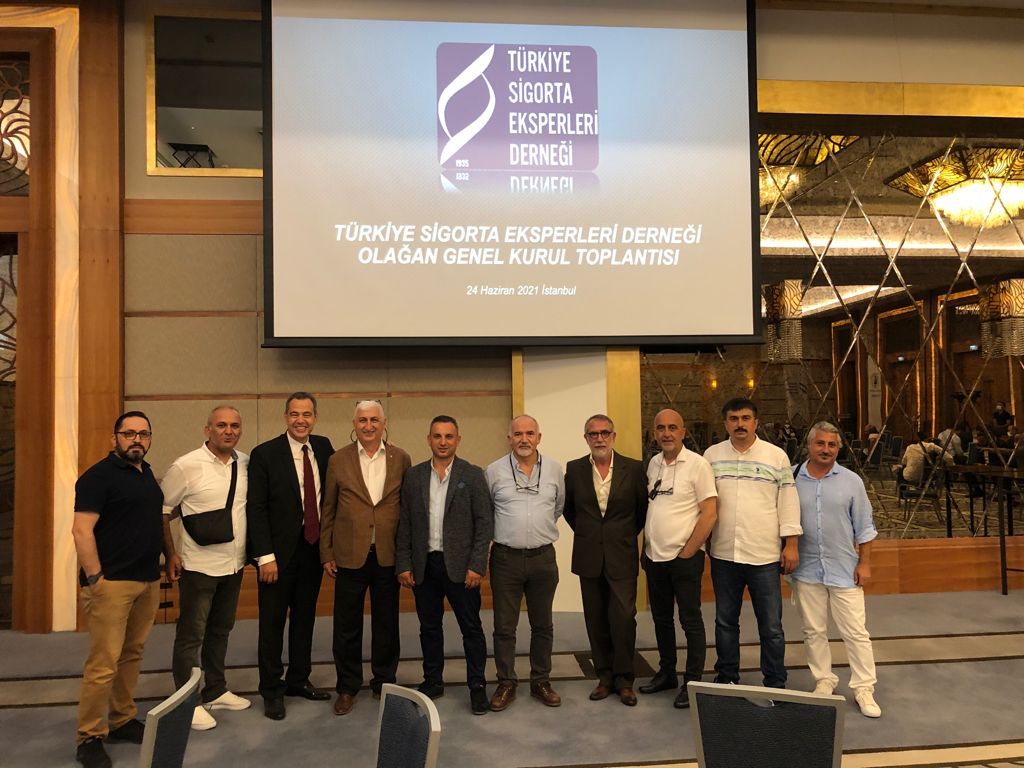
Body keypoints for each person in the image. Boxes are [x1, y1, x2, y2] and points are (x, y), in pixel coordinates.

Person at [72, 411, 167, 768]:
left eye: (143, 433)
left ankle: (122, 719)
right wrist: (95, 577)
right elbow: (81, 530)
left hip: (147, 580)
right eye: (129, 434)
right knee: (103, 664)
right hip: (111, 584)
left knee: (132, 654)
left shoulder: (146, 474)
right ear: (115, 439)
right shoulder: (97, 478)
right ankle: (89, 736)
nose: (136, 439)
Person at [161, 406, 252, 731]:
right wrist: (170, 554)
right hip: (198, 566)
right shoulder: (185, 466)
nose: (229, 431)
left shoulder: (246, 463)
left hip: (234, 564)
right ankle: (187, 702)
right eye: (221, 425)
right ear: (207, 430)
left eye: (235, 425)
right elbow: (163, 511)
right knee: (191, 634)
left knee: (221, 629)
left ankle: (215, 690)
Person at [395, 415, 493, 714]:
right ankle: (433, 681)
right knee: (429, 627)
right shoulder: (414, 476)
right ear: (429, 439)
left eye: (449, 436)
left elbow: (484, 523)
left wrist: (477, 565)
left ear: (458, 440)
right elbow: (405, 523)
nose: (443, 442)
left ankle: (477, 686)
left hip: (462, 568)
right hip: (425, 565)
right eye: (437, 436)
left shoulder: (472, 475)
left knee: (471, 628)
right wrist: (404, 563)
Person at [247, 392, 335, 721]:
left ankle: (299, 679)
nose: (301, 420)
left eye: (307, 414)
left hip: (312, 550)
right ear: (286, 417)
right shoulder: (265, 454)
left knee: (304, 618)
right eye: (295, 414)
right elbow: (256, 508)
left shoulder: (323, 448)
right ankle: (272, 689)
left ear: (315, 418)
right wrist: (264, 556)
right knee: (272, 623)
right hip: (277, 555)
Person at [703, 397, 802, 689]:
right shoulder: (711, 456)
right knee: (725, 622)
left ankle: (775, 680)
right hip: (724, 554)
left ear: (756, 422)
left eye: (745, 418)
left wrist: (791, 544)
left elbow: (788, 502)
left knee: (771, 626)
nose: (740, 424)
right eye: (734, 419)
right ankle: (727, 676)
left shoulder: (775, 456)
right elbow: (704, 503)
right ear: (726, 423)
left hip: (764, 556)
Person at [321, 400, 411, 716]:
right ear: (354, 424)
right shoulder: (337, 460)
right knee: (347, 626)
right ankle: (347, 687)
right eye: (363, 420)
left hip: (387, 555)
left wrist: (407, 556)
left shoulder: (401, 458)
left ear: (384, 423)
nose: (369, 426)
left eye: (374, 420)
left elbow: (407, 510)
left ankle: (384, 682)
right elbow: (328, 508)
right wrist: (326, 551)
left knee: (387, 624)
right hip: (349, 555)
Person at [792, 422, 881, 718]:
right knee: (813, 630)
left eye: (832, 445)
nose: (826, 449)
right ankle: (823, 680)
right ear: (809, 445)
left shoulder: (852, 481)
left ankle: (864, 688)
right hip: (806, 569)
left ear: (838, 448)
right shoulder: (792, 478)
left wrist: (865, 562)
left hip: (845, 569)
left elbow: (864, 527)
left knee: (855, 632)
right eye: (820, 443)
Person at [563, 414, 648, 706]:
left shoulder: (633, 469)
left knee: (623, 618)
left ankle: (625, 680)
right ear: (586, 438)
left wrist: (618, 536)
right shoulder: (574, 469)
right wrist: (592, 534)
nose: (599, 438)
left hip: (621, 554)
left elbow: (641, 512)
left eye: (604, 433)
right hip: (588, 555)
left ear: (613, 436)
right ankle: (604, 677)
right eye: (593, 434)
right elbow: (569, 510)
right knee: (596, 619)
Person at [638, 409, 717, 708]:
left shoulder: (698, 465)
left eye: (673, 427)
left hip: (684, 558)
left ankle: (692, 682)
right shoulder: (653, 464)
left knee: (690, 620)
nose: (667, 433)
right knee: (661, 619)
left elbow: (709, 513)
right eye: (661, 428)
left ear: (683, 432)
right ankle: (667, 673)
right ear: (654, 433)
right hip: (654, 557)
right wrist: (645, 549)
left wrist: (688, 553)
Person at [486, 415, 565, 711]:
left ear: (538, 437)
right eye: (518, 434)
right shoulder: (494, 471)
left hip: (543, 558)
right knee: (504, 627)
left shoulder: (555, 469)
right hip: (505, 559)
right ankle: (506, 682)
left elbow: (558, 507)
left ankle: (540, 681)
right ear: (509, 438)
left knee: (542, 624)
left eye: (530, 433)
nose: (524, 439)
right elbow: (487, 511)